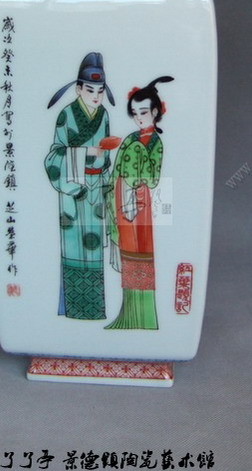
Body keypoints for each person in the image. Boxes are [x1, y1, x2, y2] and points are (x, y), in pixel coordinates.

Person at [44, 52, 115, 320]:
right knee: (74, 249)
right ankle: (73, 310)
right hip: (73, 191)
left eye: (100, 91)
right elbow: (54, 156)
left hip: (96, 191)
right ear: (78, 89)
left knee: (94, 251)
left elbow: (105, 157)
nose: (96, 96)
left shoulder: (104, 115)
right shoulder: (66, 115)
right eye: (90, 90)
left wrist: (104, 163)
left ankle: (93, 312)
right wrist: (86, 153)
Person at [105, 76, 174, 330]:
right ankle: (129, 314)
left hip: (141, 204)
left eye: (143, 112)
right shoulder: (130, 139)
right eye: (135, 114)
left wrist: (137, 154)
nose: (139, 118)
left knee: (140, 252)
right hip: (122, 200)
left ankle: (143, 317)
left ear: (155, 112)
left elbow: (153, 179)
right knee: (127, 252)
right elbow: (116, 173)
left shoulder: (155, 143)